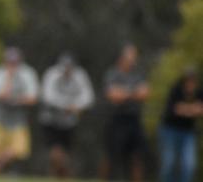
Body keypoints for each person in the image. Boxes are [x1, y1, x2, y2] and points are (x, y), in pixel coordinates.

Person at [0, 47, 39, 177]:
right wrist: (9, 77)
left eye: (15, 62)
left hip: (16, 118)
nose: (13, 65)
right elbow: (1, 95)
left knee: (19, 150)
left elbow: (32, 99)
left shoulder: (28, 73)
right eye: (10, 62)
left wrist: (16, 100)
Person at [38, 53, 94, 178]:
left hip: (69, 122)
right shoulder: (52, 74)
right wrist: (68, 106)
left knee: (65, 153)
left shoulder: (80, 75)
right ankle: (60, 174)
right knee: (55, 153)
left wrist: (77, 106)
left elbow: (88, 97)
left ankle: (61, 175)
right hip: (51, 120)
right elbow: (48, 97)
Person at [101, 43, 149, 182]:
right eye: (130, 57)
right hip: (116, 120)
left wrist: (124, 94)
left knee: (137, 157)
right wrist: (133, 93)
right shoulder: (113, 74)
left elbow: (145, 93)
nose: (133, 60)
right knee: (111, 157)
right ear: (122, 58)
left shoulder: (138, 74)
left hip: (134, 120)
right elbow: (113, 95)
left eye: (134, 57)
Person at [159, 68, 203, 182]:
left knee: (189, 164)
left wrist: (185, 108)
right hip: (170, 130)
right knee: (169, 163)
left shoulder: (198, 92)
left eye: (193, 80)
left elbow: (200, 109)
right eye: (188, 80)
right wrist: (192, 109)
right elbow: (175, 109)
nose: (191, 83)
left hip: (188, 132)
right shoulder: (176, 90)